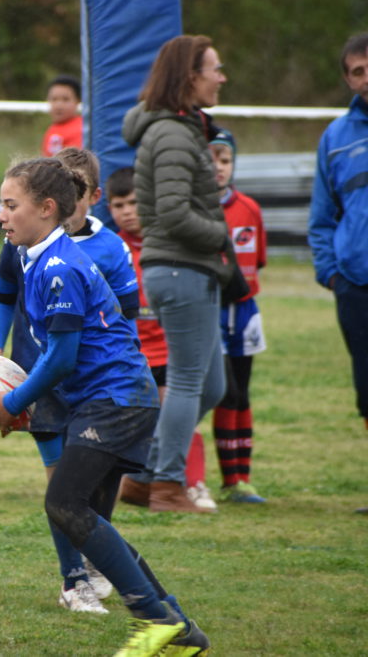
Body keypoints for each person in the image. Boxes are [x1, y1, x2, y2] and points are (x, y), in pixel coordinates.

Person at [0, 158, 209, 657]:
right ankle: (179, 627)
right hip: (104, 400)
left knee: (64, 504)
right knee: (80, 514)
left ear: (46, 208)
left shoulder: (61, 268)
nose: (1, 215)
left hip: (116, 400)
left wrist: (12, 402)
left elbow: (61, 358)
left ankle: (156, 617)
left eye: (11, 205)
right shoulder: (33, 256)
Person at [0, 146, 137, 614]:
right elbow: (4, 297)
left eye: (73, 184)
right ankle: (74, 579)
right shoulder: (19, 243)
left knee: (89, 488)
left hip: (92, 383)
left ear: (88, 195)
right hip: (42, 378)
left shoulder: (103, 250)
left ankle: (104, 566)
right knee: (61, 486)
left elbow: (125, 316)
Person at [120, 34, 232, 513]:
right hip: (181, 268)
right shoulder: (169, 134)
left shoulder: (181, 129)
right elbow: (168, 214)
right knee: (189, 380)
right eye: (215, 69)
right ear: (191, 77)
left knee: (211, 386)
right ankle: (166, 485)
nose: (221, 78)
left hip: (186, 268)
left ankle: (143, 473)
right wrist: (220, 235)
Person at [107, 168, 218, 512]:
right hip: (135, 357)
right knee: (149, 423)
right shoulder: (112, 249)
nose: (126, 211)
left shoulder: (168, 246)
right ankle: (140, 479)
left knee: (183, 412)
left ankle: (192, 483)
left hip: (168, 353)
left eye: (134, 202)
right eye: (118, 204)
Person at [308, 31, 368, 443]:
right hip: (356, 283)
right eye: (358, 72)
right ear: (348, 80)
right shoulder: (336, 138)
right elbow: (321, 216)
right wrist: (333, 274)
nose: (367, 78)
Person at [208, 128, 269, 504]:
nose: (218, 167)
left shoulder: (250, 209)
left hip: (243, 312)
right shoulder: (195, 212)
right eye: (211, 158)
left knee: (241, 393)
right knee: (222, 393)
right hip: (208, 311)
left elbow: (257, 261)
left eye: (225, 159)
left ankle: (238, 480)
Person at [41, 76, 83, 157]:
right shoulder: (52, 129)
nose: (59, 105)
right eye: (54, 99)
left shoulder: (81, 129)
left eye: (65, 99)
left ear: (77, 101)